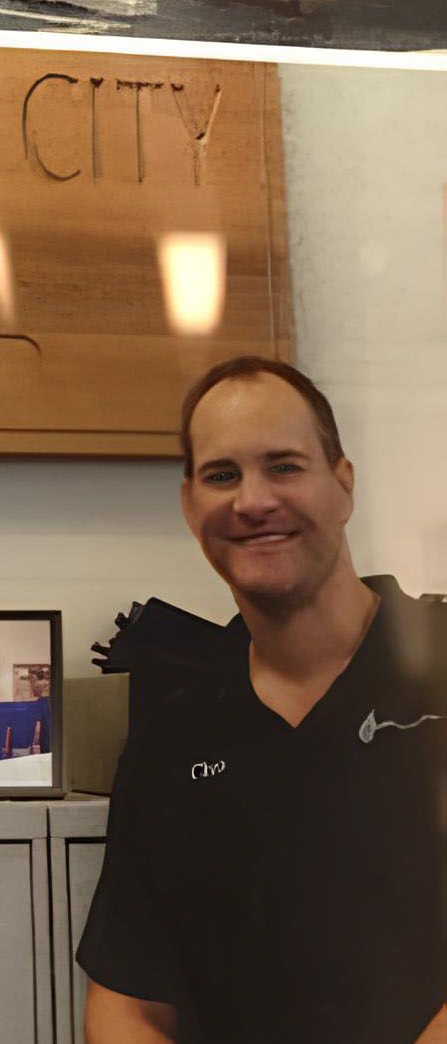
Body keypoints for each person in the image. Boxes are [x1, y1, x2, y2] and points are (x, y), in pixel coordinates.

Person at [78, 358, 447, 1043]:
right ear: (192, 507)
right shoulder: (171, 740)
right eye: (223, 475)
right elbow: (126, 1005)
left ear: (343, 486)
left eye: (284, 466)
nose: (252, 501)